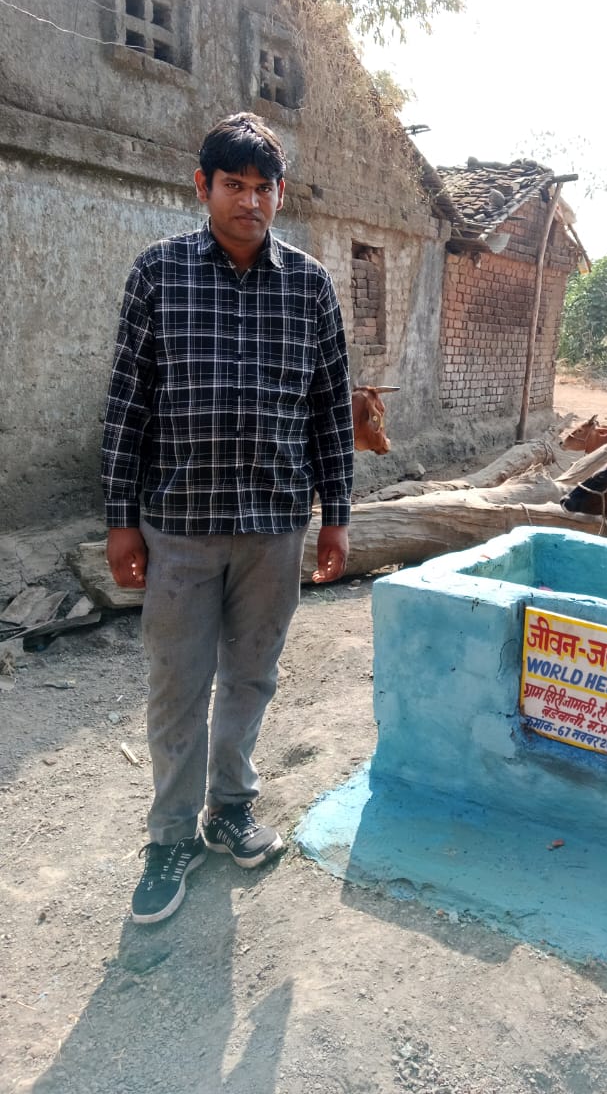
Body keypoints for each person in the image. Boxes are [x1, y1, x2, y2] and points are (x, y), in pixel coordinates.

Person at [101, 112, 354, 924]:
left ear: (280, 193)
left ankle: (230, 807)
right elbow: (127, 404)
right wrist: (120, 519)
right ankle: (170, 836)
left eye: (263, 187)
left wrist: (337, 515)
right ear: (202, 186)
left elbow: (330, 410)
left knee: (251, 675)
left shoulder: (310, 285)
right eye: (233, 185)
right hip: (179, 524)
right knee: (177, 683)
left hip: (275, 523)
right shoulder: (159, 273)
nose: (250, 201)